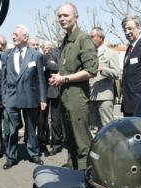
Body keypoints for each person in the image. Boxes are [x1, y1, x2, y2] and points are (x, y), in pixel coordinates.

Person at [49, 3, 98, 170]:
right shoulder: (66, 40)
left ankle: (86, 176)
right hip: (65, 98)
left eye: (66, 15)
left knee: (82, 142)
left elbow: (91, 70)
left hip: (77, 99)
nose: (62, 19)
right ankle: (72, 172)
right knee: (69, 140)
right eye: (60, 16)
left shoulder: (83, 39)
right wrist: (60, 79)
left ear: (76, 17)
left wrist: (64, 78)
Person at [2, 25, 47, 169]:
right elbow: (3, 78)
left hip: (30, 97)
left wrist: (43, 99)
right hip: (11, 97)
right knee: (11, 129)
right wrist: (4, 97)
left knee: (31, 128)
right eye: (12, 34)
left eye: (16, 34)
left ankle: (34, 154)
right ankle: (11, 157)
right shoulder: (7, 54)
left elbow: (40, 79)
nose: (13, 36)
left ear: (25, 37)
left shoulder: (36, 55)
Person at [89, 27, 120, 131]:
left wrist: (103, 69)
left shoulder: (110, 53)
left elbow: (116, 73)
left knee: (107, 128)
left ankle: (110, 147)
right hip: (91, 95)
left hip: (104, 96)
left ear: (100, 37)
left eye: (92, 36)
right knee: (93, 128)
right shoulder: (89, 53)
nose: (90, 39)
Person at [45, 47, 64, 156]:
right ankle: (56, 144)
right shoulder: (53, 51)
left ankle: (70, 142)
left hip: (70, 90)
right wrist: (68, 69)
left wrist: (57, 67)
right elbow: (49, 65)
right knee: (55, 120)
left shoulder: (75, 50)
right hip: (55, 91)